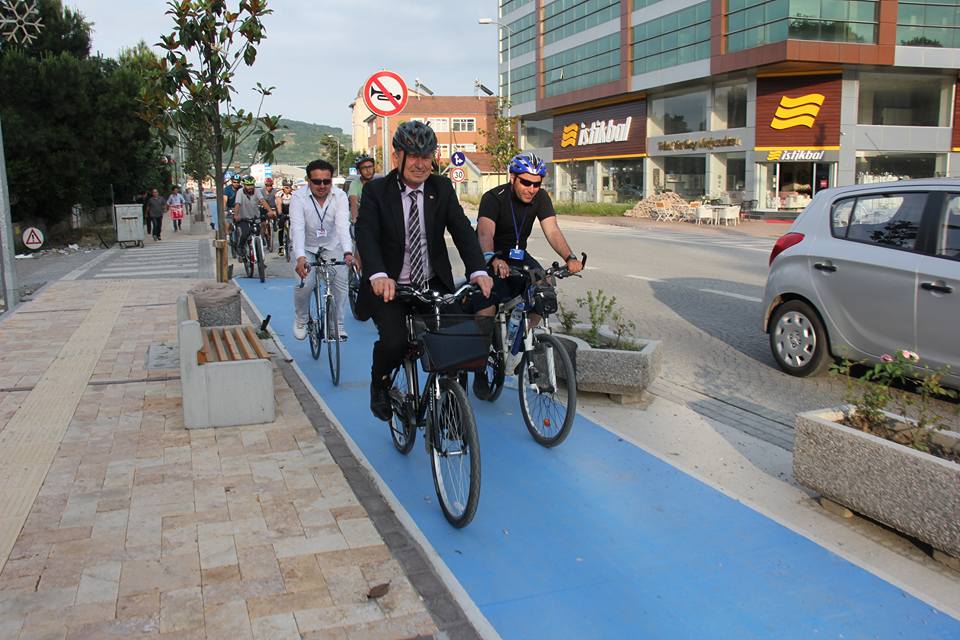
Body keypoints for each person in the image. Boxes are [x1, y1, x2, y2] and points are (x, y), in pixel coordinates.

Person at [355, 120, 493, 421]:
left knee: (459, 339)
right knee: (394, 342)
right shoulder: (377, 191)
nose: (420, 164)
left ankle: (452, 406)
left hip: (432, 283)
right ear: (397, 157)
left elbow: (462, 230)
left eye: (426, 156)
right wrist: (377, 274)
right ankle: (380, 383)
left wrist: (478, 271)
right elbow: (366, 235)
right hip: (391, 286)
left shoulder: (441, 188)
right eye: (413, 156)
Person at [471, 152, 583, 393]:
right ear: (512, 177)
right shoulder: (493, 198)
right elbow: (484, 233)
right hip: (489, 255)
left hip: (518, 255)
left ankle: (522, 339)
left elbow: (552, 230)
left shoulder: (540, 198)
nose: (532, 189)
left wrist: (570, 257)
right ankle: (479, 367)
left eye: (536, 184)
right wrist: (491, 258)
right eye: (526, 182)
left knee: (544, 290)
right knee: (486, 309)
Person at [291, 160, 353, 341]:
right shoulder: (298, 197)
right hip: (305, 247)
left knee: (341, 283)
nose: (322, 185)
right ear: (308, 180)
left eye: (327, 181)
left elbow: (342, 226)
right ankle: (302, 319)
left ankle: (337, 324)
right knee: (305, 283)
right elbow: (297, 229)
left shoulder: (340, 196)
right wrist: (300, 257)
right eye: (317, 181)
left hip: (332, 245)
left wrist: (348, 252)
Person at [232, 176, 270, 261]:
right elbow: (237, 204)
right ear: (244, 185)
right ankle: (241, 247)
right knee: (245, 233)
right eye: (248, 185)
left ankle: (260, 257)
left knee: (258, 231)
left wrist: (270, 211)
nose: (250, 187)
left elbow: (262, 201)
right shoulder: (240, 192)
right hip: (243, 218)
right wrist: (236, 215)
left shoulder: (257, 191)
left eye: (252, 185)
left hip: (255, 217)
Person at [347, 154, 376, 223]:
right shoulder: (355, 184)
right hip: (360, 221)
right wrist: (355, 220)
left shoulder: (379, 183)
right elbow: (354, 203)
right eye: (364, 168)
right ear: (359, 171)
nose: (368, 170)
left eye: (370, 166)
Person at [276, 178, 294, 256]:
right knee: (281, 227)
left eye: (290, 187)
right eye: (286, 187)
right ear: (283, 187)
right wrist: (280, 214)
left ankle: (292, 241)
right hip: (282, 209)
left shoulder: (294, 193)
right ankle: (281, 246)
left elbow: (296, 204)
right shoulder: (279, 194)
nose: (288, 189)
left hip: (290, 208)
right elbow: (279, 204)